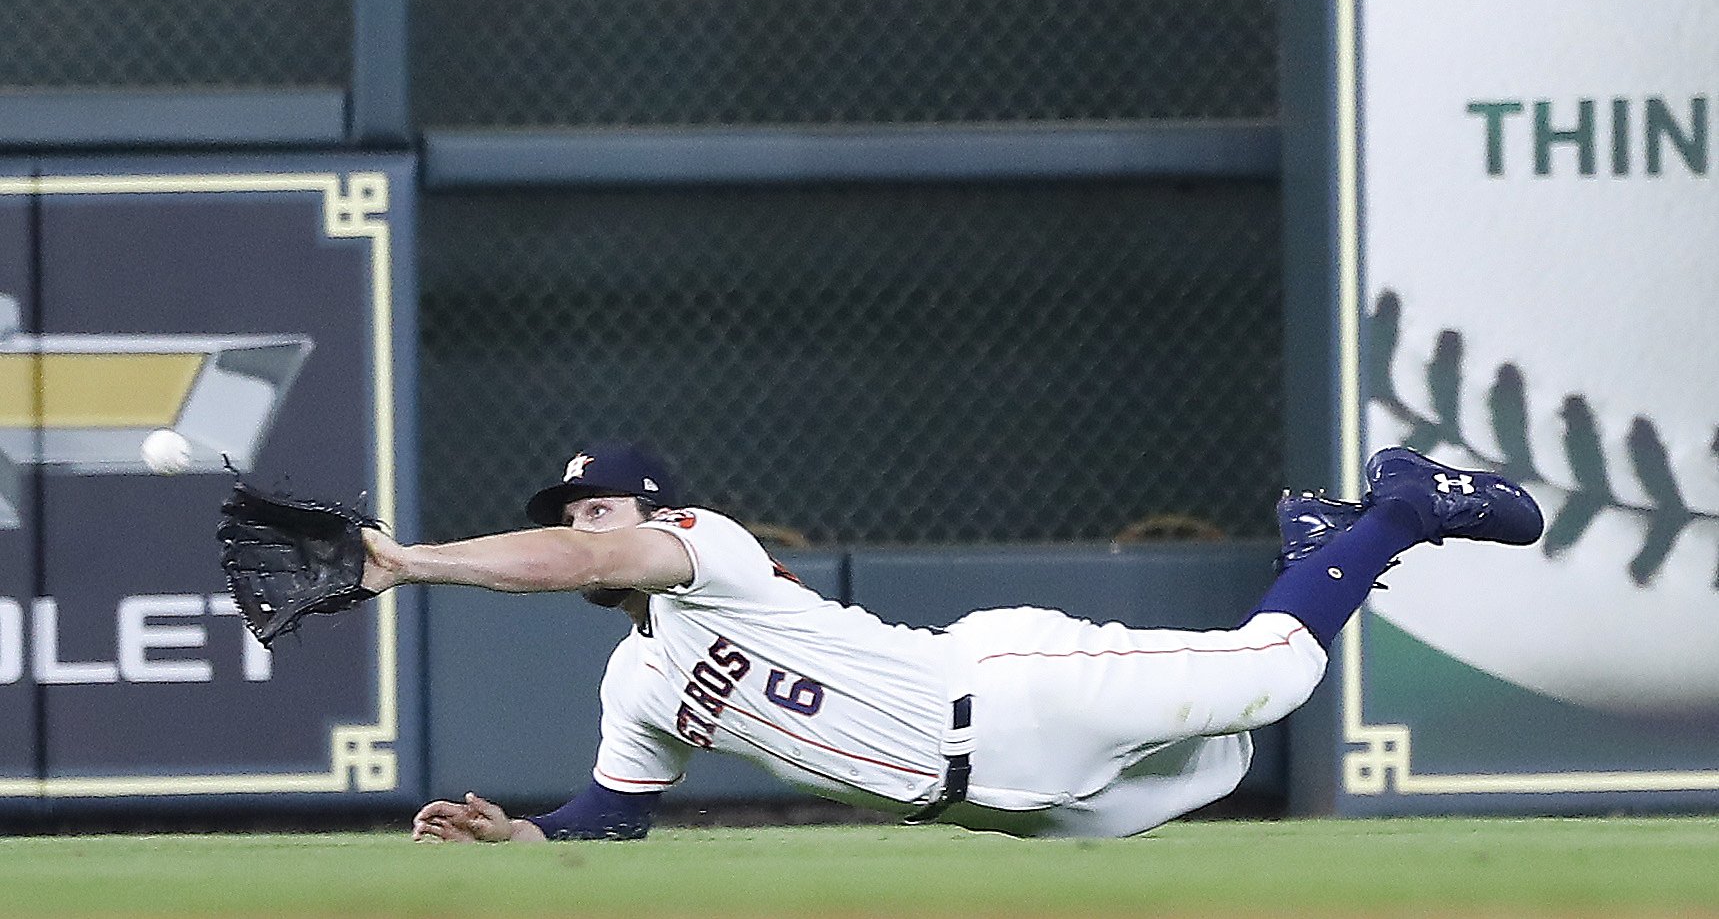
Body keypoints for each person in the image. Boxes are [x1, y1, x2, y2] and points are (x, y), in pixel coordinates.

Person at [367, 442, 1543, 842]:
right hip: (1012, 806)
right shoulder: (639, 678)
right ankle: (1319, 545)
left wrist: (414, 561)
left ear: (659, 512)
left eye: (601, 505)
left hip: (1005, 697)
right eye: (566, 512)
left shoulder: (708, 550)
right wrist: (520, 832)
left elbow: (584, 565)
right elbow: (612, 818)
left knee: (1279, 679)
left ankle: (1400, 503)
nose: (581, 525)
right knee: (1226, 755)